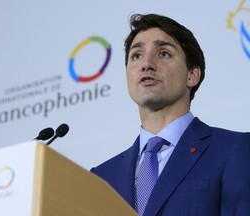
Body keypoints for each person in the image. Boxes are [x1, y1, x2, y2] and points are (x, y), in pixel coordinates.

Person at [91, 13, 250, 216]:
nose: (146, 64)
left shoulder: (234, 150)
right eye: (136, 56)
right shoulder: (101, 177)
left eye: (163, 53)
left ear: (192, 75)